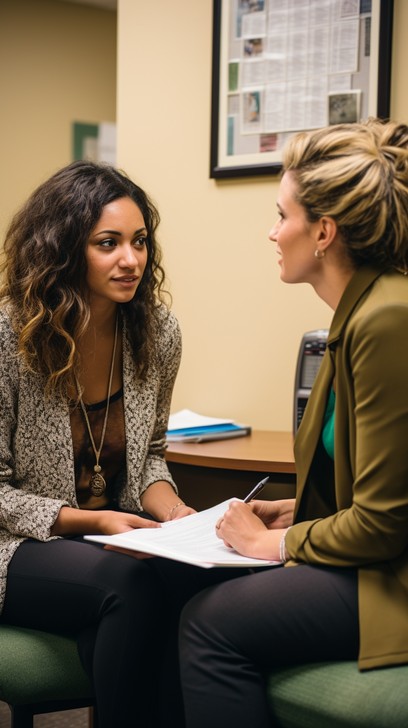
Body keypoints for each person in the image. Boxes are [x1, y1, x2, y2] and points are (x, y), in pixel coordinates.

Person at [178, 118, 408, 728]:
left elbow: (383, 525)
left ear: (324, 232)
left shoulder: (387, 320)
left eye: (282, 216)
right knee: (185, 593)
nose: (272, 232)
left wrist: (271, 543)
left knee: (208, 623)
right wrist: (296, 512)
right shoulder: (359, 311)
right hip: (377, 559)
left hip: (393, 578)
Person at [0, 159, 201, 728]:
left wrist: (177, 515)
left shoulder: (158, 333)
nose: (131, 260)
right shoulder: (8, 336)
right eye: (107, 243)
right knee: (132, 588)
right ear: (65, 250)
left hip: (107, 540)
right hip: (15, 542)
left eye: (139, 241)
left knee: (192, 581)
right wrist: (95, 521)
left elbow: (150, 455)